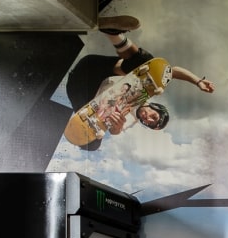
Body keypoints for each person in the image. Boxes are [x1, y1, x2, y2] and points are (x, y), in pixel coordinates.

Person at [65, 15, 215, 150]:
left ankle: (83, 124)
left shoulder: (129, 121)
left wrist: (116, 128)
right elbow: (172, 71)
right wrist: (198, 81)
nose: (147, 119)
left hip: (79, 89)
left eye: (149, 123)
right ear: (156, 108)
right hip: (91, 68)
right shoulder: (148, 88)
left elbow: (115, 131)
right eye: (153, 117)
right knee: (150, 67)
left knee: (92, 144)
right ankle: (113, 33)